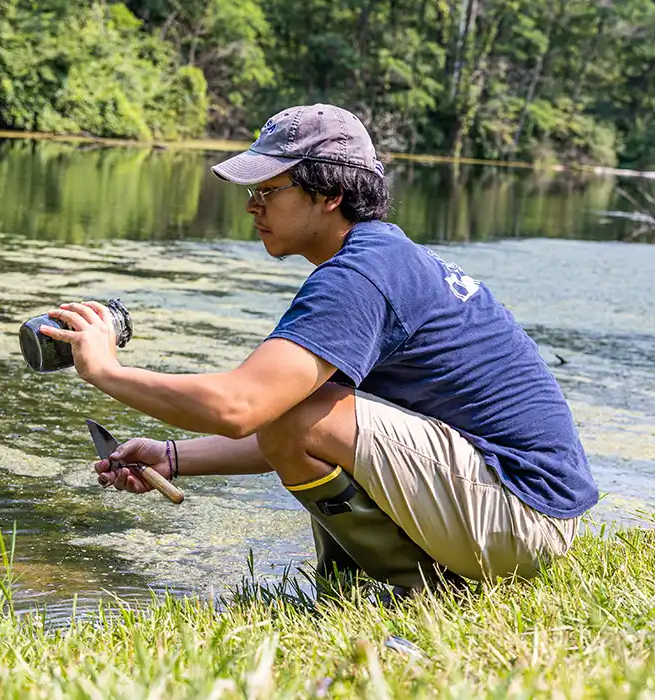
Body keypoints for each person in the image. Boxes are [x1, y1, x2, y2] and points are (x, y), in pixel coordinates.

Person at [40, 104, 598, 592]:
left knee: (292, 411)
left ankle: (414, 590)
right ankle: (383, 579)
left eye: (268, 189)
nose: (252, 206)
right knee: (296, 410)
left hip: (521, 520)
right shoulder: (380, 257)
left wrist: (105, 368)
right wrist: (174, 456)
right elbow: (308, 430)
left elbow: (243, 410)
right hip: (517, 514)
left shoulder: (362, 274)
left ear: (330, 194)